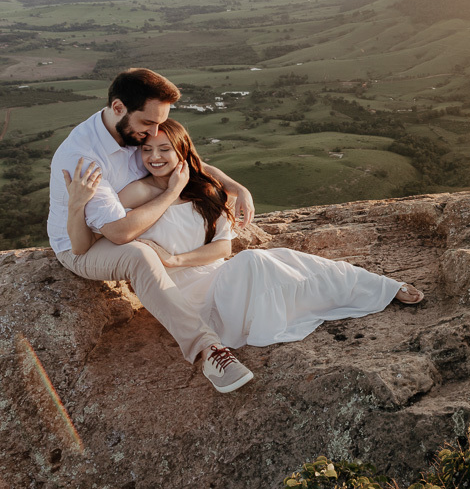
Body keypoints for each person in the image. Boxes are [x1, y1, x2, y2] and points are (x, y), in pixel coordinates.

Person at [64, 119, 423, 364]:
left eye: (164, 150)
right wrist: (77, 206)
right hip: (181, 296)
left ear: (182, 153)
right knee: (257, 262)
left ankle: (380, 287)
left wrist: (175, 257)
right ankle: (362, 289)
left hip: (217, 275)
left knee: (277, 259)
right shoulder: (135, 192)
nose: (154, 157)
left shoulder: (205, 190)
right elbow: (97, 236)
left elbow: (222, 248)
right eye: (146, 150)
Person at [49, 68, 257, 393]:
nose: (154, 132)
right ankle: (209, 352)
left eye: (160, 122)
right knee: (139, 256)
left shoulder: (134, 130)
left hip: (116, 224)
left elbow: (188, 164)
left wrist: (236, 187)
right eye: (148, 123)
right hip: (82, 243)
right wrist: (172, 193)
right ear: (119, 108)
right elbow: (117, 234)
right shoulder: (85, 157)